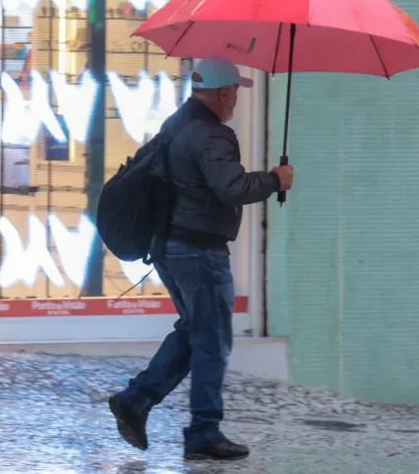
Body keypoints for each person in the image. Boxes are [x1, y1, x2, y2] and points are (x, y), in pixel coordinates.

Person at [108, 57, 294, 461]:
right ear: (225, 93)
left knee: (195, 332)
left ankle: (136, 400)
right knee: (212, 342)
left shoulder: (178, 124)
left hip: (170, 246)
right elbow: (232, 188)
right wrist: (274, 180)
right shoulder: (213, 135)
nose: (237, 101)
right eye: (236, 93)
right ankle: (203, 432)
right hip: (198, 251)